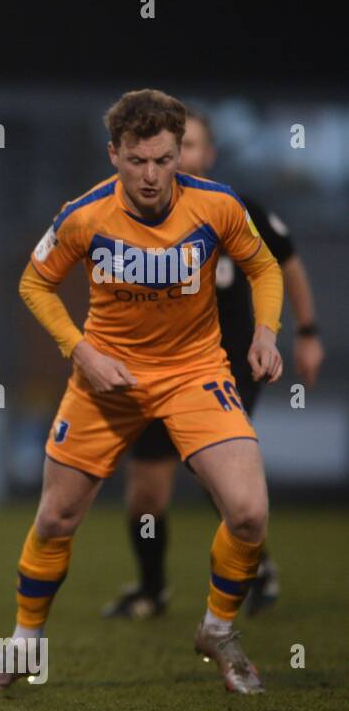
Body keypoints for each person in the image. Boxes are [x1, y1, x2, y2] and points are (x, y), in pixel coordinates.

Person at [0, 89, 282, 695]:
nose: (152, 175)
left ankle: (217, 629)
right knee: (56, 518)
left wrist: (266, 332)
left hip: (196, 375)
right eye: (138, 160)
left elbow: (264, 265)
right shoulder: (83, 215)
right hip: (105, 381)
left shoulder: (215, 206)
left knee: (248, 513)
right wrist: (81, 350)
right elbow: (36, 283)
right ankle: (24, 643)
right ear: (114, 154)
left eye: (165, 159)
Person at [103, 108, 324, 620]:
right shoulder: (136, 211)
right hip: (153, 369)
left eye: (194, 145)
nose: (183, 157)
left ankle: (254, 563)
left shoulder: (234, 209)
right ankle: (152, 589)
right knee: (145, 493)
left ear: (206, 153)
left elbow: (285, 264)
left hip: (228, 365)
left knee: (215, 474)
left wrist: (305, 333)